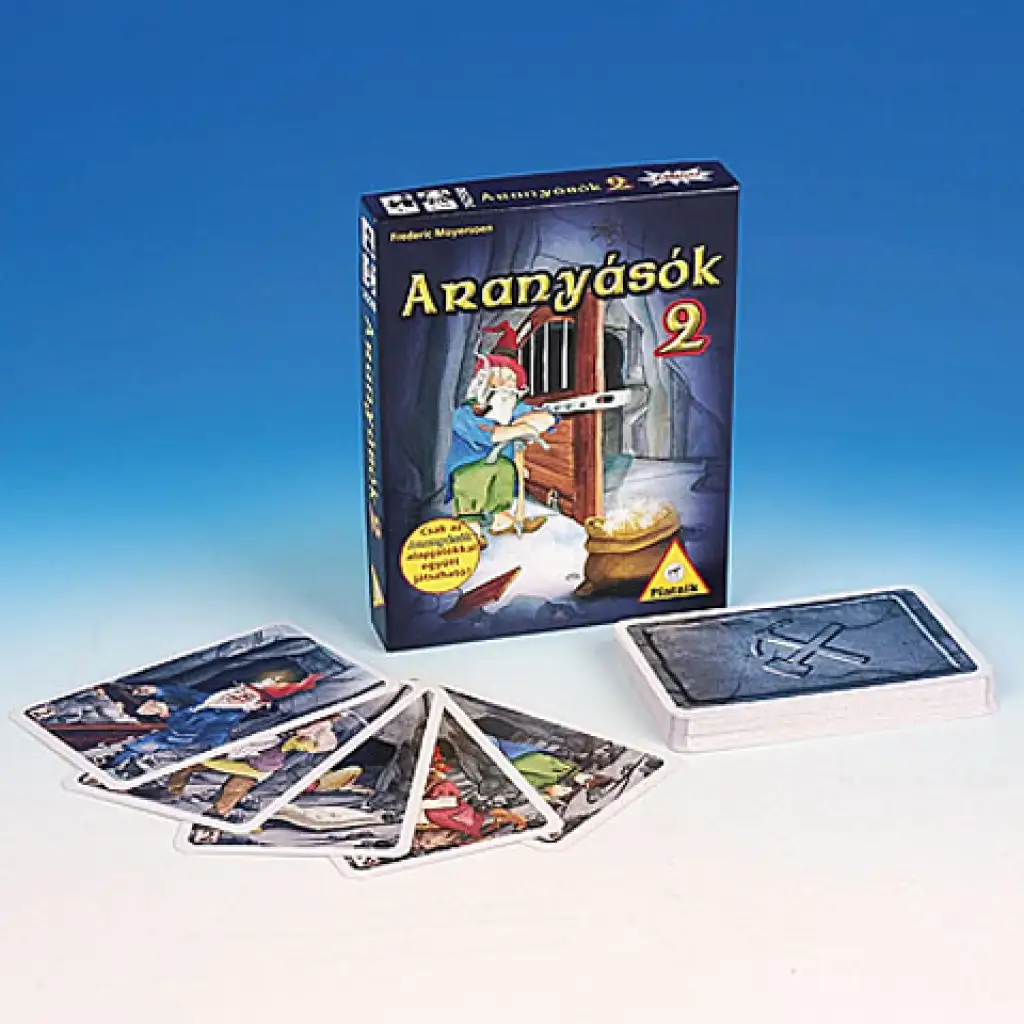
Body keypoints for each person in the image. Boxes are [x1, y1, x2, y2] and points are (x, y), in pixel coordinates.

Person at [444, 321, 557, 547]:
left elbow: (546, 417)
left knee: (505, 471)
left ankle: (500, 517)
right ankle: (470, 526)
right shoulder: (465, 413)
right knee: (474, 479)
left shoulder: (511, 407)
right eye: (500, 377)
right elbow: (489, 433)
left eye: (511, 379)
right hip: (468, 466)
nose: (507, 384)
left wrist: (539, 420)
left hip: (500, 462)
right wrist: (519, 429)